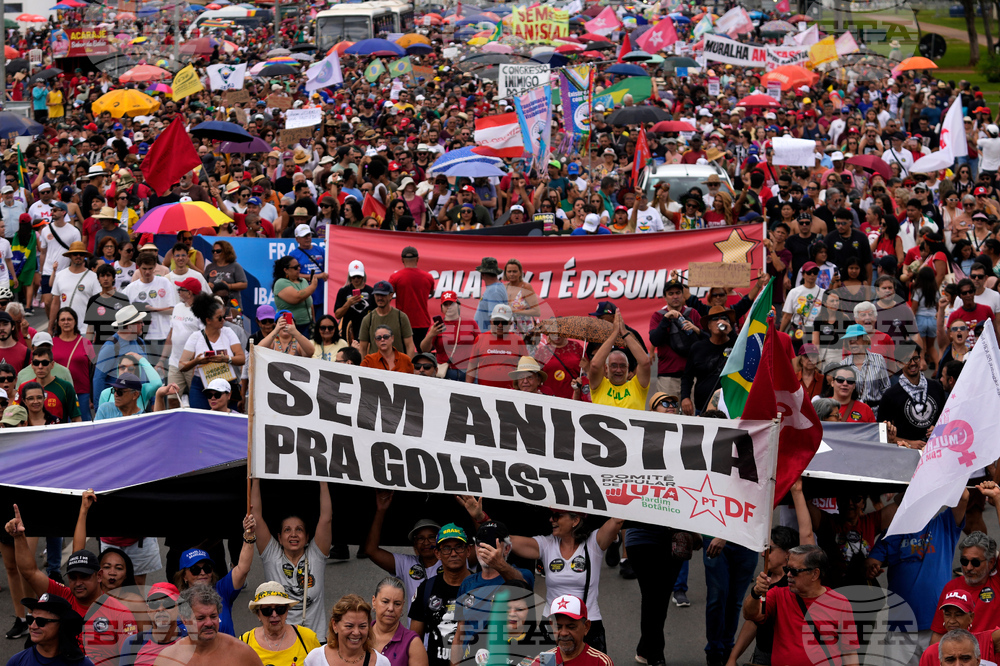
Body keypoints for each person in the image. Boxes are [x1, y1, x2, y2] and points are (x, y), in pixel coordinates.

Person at [459, 496, 621, 653]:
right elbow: (505, 538)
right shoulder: (546, 544)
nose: (551, 519)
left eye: (557, 516)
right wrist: (481, 517)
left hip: (587, 624)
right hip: (551, 626)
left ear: (575, 520)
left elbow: (618, 519)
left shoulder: (594, 542)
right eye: (552, 516)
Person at [742, 544, 859, 666]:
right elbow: (750, 614)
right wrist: (755, 593)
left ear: (815, 574)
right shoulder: (778, 594)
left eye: (794, 571)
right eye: (787, 569)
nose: (788, 575)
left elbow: (849, 653)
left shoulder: (839, 603)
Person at [251, 479, 333, 636]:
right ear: (279, 538)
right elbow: (256, 517)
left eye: (299, 530)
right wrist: (255, 479)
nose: (293, 534)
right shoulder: (271, 556)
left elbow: (326, 518)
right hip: (281, 639)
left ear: (307, 537)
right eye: (287, 530)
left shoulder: (317, 556)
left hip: (316, 640)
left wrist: (323, 481)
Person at [366, 491, 442, 618]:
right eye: (420, 538)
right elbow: (371, 550)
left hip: (447, 636)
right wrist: (381, 510)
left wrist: (477, 515)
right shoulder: (407, 564)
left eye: (432, 537)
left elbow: (484, 546)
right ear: (415, 544)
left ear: (440, 540)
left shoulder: (454, 559)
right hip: (415, 636)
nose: (426, 542)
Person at [409, 524, 472, 666]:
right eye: (446, 548)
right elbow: (413, 641)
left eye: (459, 547)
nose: (453, 553)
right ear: (437, 553)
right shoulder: (426, 589)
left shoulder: (481, 588)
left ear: (468, 550)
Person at [152, 586, 261, 666]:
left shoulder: (241, 653)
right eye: (201, 618)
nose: (209, 623)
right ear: (185, 620)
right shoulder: (168, 659)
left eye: (213, 616)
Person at [930, 532, 1000, 643]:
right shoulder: (951, 587)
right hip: (962, 655)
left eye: (975, 562)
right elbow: (939, 633)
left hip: (993, 654)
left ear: (991, 562)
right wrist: (933, 658)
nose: (968, 567)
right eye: (964, 561)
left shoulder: (997, 581)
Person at [178, 293, 244, 410]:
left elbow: (241, 358)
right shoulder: (196, 337)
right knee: (199, 419)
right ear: (208, 320)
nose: (223, 320)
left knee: (226, 420)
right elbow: (182, 365)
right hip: (201, 385)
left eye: (223, 316)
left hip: (226, 385)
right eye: (219, 318)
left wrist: (227, 359)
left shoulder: (228, 332)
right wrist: (197, 361)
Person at [878, 347, 946, 448]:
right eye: (907, 360)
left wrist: (938, 428)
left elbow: (947, 417)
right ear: (898, 364)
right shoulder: (890, 395)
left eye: (915, 358)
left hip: (936, 448)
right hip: (906, 453)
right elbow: (882, 433)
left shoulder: (936, 387)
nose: (913, 363)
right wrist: (910, 443)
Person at [240, 581, 321, 666]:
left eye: (280, 609)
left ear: (287, 611)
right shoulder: (245, 642)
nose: (274, 615)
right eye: (267, 610)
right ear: (258, 614)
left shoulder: (307, 638)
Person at [302, 595, 391, 666]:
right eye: (349, 626)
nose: (356, 632)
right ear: (334, 625)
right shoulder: (315, 658)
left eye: (362, 626)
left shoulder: (381, 663)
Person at [7, 592, 91, 666]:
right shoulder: (16, 662)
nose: (33, 626)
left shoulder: (82, 664)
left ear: (61, 625)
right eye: (30, 620)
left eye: (41, 621)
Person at [525, 595, 612, 666]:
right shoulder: (540, 662)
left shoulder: (600, 662)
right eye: (558, 627)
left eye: (571, 627)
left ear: (586, 626)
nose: (563, 633)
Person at [589, 311, 651, 411]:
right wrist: (614, 334)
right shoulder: (599, 385)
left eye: (622, 366)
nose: (618, 370)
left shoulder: (637, 386)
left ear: (628, 367)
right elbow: (595, 365)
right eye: (613, 365)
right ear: (606, 368)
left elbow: (645, 363)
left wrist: (623, 332)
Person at [681, 306, 734, 415]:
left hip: (730, 408)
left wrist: (731, 334)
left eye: (724, 318)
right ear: (709, 325)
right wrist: (685, 397)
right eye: (715, 319)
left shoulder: (736, 345)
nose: (720, 322)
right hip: (703, 408)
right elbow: (687, 376)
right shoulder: (697, 348)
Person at [420, 291, 479, 382]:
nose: (449, 307)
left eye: (451, 304)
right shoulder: (437, 326)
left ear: (458, 305)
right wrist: (431, 334)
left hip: (468, 370)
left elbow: (480, 344)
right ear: (441, 308)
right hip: (446, 371)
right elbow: (424, 349)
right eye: (445, 305)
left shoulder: (471, 323)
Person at [369, 577, 427, 666]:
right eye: (385, 601)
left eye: (397, 604)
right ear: (374, 601)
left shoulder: (412, 642)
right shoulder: (361, 634)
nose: (391, 608)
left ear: (402, 606)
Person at [466, 305, 527, 388]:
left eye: (504, 322)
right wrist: (468, 387)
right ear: (491, 321)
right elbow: (472, 365)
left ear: (510, 323)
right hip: (484, 391)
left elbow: (526, 369)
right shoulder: (480, 339)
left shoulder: (518, 341)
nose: (500, 325)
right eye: (497, 321)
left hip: (511, 393)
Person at [48, 241, 99, 337]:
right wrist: (50, 327)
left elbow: (98, 305)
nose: (78, 256)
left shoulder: (93, 277)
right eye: (75, 254)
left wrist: (96, 329)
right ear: (70, 256)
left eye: (81, 254)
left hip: (85, 330)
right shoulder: (60, 275)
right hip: (64, 329)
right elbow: (55, 303)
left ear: (85, 256)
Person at [52, 307, 94, 421]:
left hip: (81, 392)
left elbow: (92, 370)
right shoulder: (51, 343)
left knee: (83, 423)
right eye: (63, 319)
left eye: (69, 319)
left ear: (75, 322)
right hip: (57, 392)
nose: (66, 322)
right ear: (58, 323)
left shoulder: (86, 343)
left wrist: (92, 395)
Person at [128, 584, 186, 666]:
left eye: (168, 603)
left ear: (179, 608)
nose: (160, 609)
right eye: (154, 604)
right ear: (148, 610)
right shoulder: (133, 643)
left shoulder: (192, 642)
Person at [389, 246, 435, 349]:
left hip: (402, 323)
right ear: (418, 259)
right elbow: (431, 292)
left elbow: (387, 296)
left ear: (402, 260)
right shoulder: (428, 277)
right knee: (424, 354)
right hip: (422, 323)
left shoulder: (395, 277)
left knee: (402, 355)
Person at [272, 255, 326, 338]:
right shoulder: (281, 283)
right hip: (287, 327)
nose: (299, 269)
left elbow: (309, 302)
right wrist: (313, 286)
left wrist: (313, 321)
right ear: (286, 270)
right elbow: (296, 298)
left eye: (299, 266)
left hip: (307, 326)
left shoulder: (303, 281)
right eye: (295, 267)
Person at [358, 281, 417, 357]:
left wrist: (409, 366)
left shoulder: (401, 317)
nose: (380, 298)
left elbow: (409, 345)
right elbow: (362, 348)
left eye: (383, 295)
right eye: (377, 295)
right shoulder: (368, 319)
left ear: (391, 295)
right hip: (374, 366)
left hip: (397, 366)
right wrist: (363, 367)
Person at [333, 260, 375, 343]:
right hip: (348, 331)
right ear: (349, 276)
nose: (356, 279)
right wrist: (348, 304)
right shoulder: (343, 291)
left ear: (363, 276)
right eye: (353, 276)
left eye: (358, 276)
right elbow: (337, 315)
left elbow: (376, 313)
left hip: (367, 331)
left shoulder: (371, 292)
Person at [204, 241, 248, 312]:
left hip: (232, 305)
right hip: (213, 306)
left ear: (226, 252)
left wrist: (228, 286)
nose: (215, 253)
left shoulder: (235, 266)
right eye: (213, 251)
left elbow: (244, 284)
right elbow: (203, 284)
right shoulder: (209, 267)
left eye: (218, 251)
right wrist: (208, 285)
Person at [474, 257, 508, 333]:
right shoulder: (495, 288)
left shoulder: (494, 291)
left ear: (482, 274)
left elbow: (496, 320)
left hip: (486, 338)